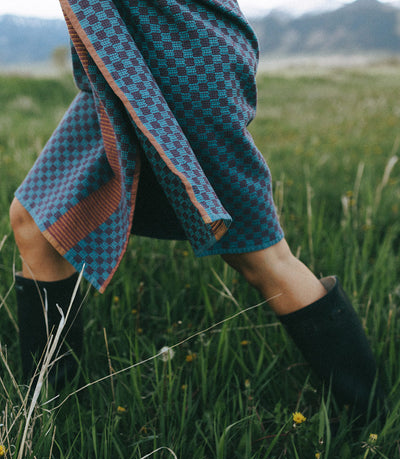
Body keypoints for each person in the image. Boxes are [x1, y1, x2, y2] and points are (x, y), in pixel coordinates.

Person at [9, 0, 382, 417]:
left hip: (180, 59)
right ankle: (49, 415)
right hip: (125, 63)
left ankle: (371, 417)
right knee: (36, 221)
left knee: (261, 257)